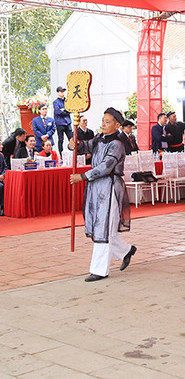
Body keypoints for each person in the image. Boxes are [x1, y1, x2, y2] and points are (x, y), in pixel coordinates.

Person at [68, 108, 135, 282]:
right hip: (96, 187)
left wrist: (82, 176)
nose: (103, 124)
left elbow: (106, 166)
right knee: (106, 226)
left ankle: (99, 269)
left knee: (102, 227)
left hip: (109, 186)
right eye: (103, 120)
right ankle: (126, 251)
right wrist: (74, 144)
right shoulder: (99, 139)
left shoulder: (118, 144)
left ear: (117, 125)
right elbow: (84, 146)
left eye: (107, 121)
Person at [53, 86, 73, 154]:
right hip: (60, 123)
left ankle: (73, 152)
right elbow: (57, 111)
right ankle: (61, 154)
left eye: (63, 91)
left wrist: (64, 110)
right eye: (61, 91)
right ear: (58, 93)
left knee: (71, 139)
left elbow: (70, 109)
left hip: (67, 122)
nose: (62, 93)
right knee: (61, 139)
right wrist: (65, 111)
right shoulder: (56, 102)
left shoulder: (66, 100)